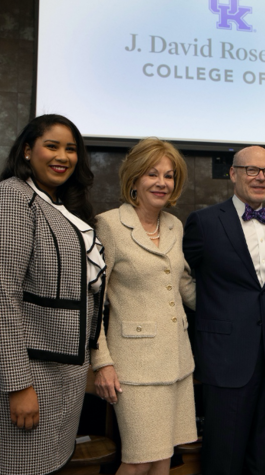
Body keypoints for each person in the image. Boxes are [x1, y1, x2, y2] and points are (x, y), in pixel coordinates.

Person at [0, 114, 106, 475]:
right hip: (23, 366)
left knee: (46, 463)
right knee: (16, 464)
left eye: (71, 149)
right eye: (51, 145)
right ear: (26, 150)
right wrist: (17, 384)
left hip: (55, 364)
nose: (63, 156)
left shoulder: (57, 204)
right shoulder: (10, 198)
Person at [91, 138, 196, 475]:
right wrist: (101, 362)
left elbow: (181, 285)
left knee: (164, 457)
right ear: (135, 178)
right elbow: (93, 300)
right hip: (134, 368)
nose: (162, 182)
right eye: (153, 174)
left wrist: (236, 301)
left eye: (169, 176)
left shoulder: (174, 225)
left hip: (177, 361)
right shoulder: (108, 225)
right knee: (138, 461)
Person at [183, 146, 265, 475]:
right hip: (225, 357)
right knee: (224, 454)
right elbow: (180, 279)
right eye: (251, 170)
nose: (260, 177)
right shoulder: (203, 222)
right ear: (233, 174)